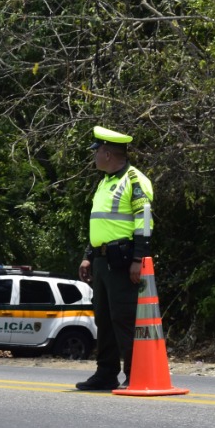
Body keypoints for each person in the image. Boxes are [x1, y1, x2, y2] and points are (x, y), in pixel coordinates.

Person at [75, 125, 154, 391]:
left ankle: (135, 374)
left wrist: (138, 259)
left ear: (107, 153)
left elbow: (144, 223)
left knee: (124, 319)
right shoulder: (104, 182)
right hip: (101, 261)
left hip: (122, 262)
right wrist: (88, 255)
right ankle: (106, 373)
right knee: (104, 320)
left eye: (96, 152)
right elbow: (101, 225)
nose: (93, 157)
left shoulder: (135, 180)